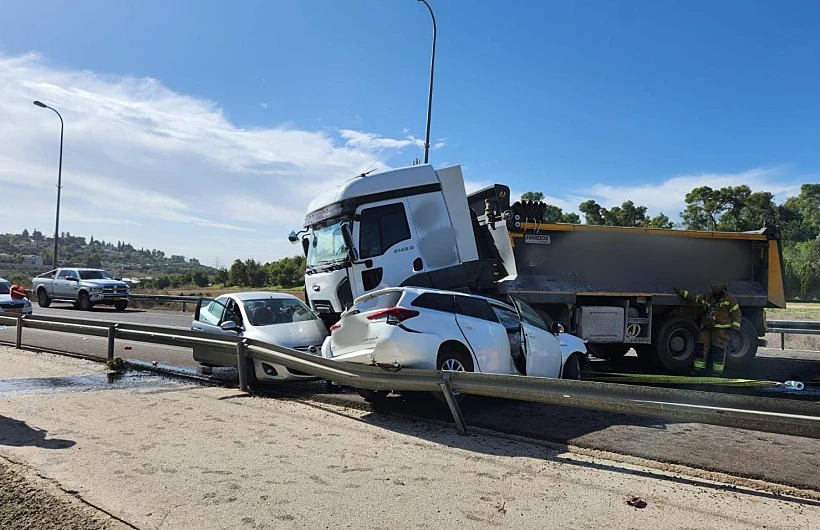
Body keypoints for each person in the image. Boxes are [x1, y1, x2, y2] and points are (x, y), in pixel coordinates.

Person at [673, 283, 742, 376]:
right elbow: (695, 298)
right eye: (713, 287)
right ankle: (698, 369)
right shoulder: (707, 297)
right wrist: (681, 292)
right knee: (701, 347)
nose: (714, 289)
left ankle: (717, 372)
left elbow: (736, 313)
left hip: (720, 330)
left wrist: (734, 328)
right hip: (707, 327)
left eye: (716, 287)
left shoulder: (729, 300)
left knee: (719, 350)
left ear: (722, 288)